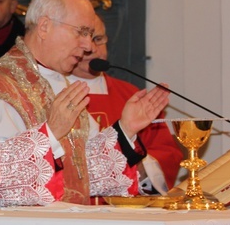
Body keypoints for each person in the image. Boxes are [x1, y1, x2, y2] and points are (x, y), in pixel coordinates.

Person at [0, 0, 170, 206]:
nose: (89, 46)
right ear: (44, 26)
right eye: (82, 32)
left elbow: (85, 172)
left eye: (91, 35)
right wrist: (49, 133)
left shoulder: (62, 84)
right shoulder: (1, 84)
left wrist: (126, 129)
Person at [69, 17, 183, 193]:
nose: (92, 49)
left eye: (98, 39)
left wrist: (137, 167)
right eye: (84, 40)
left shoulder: (131, 95)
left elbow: (166, 152)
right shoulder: (51, 93)